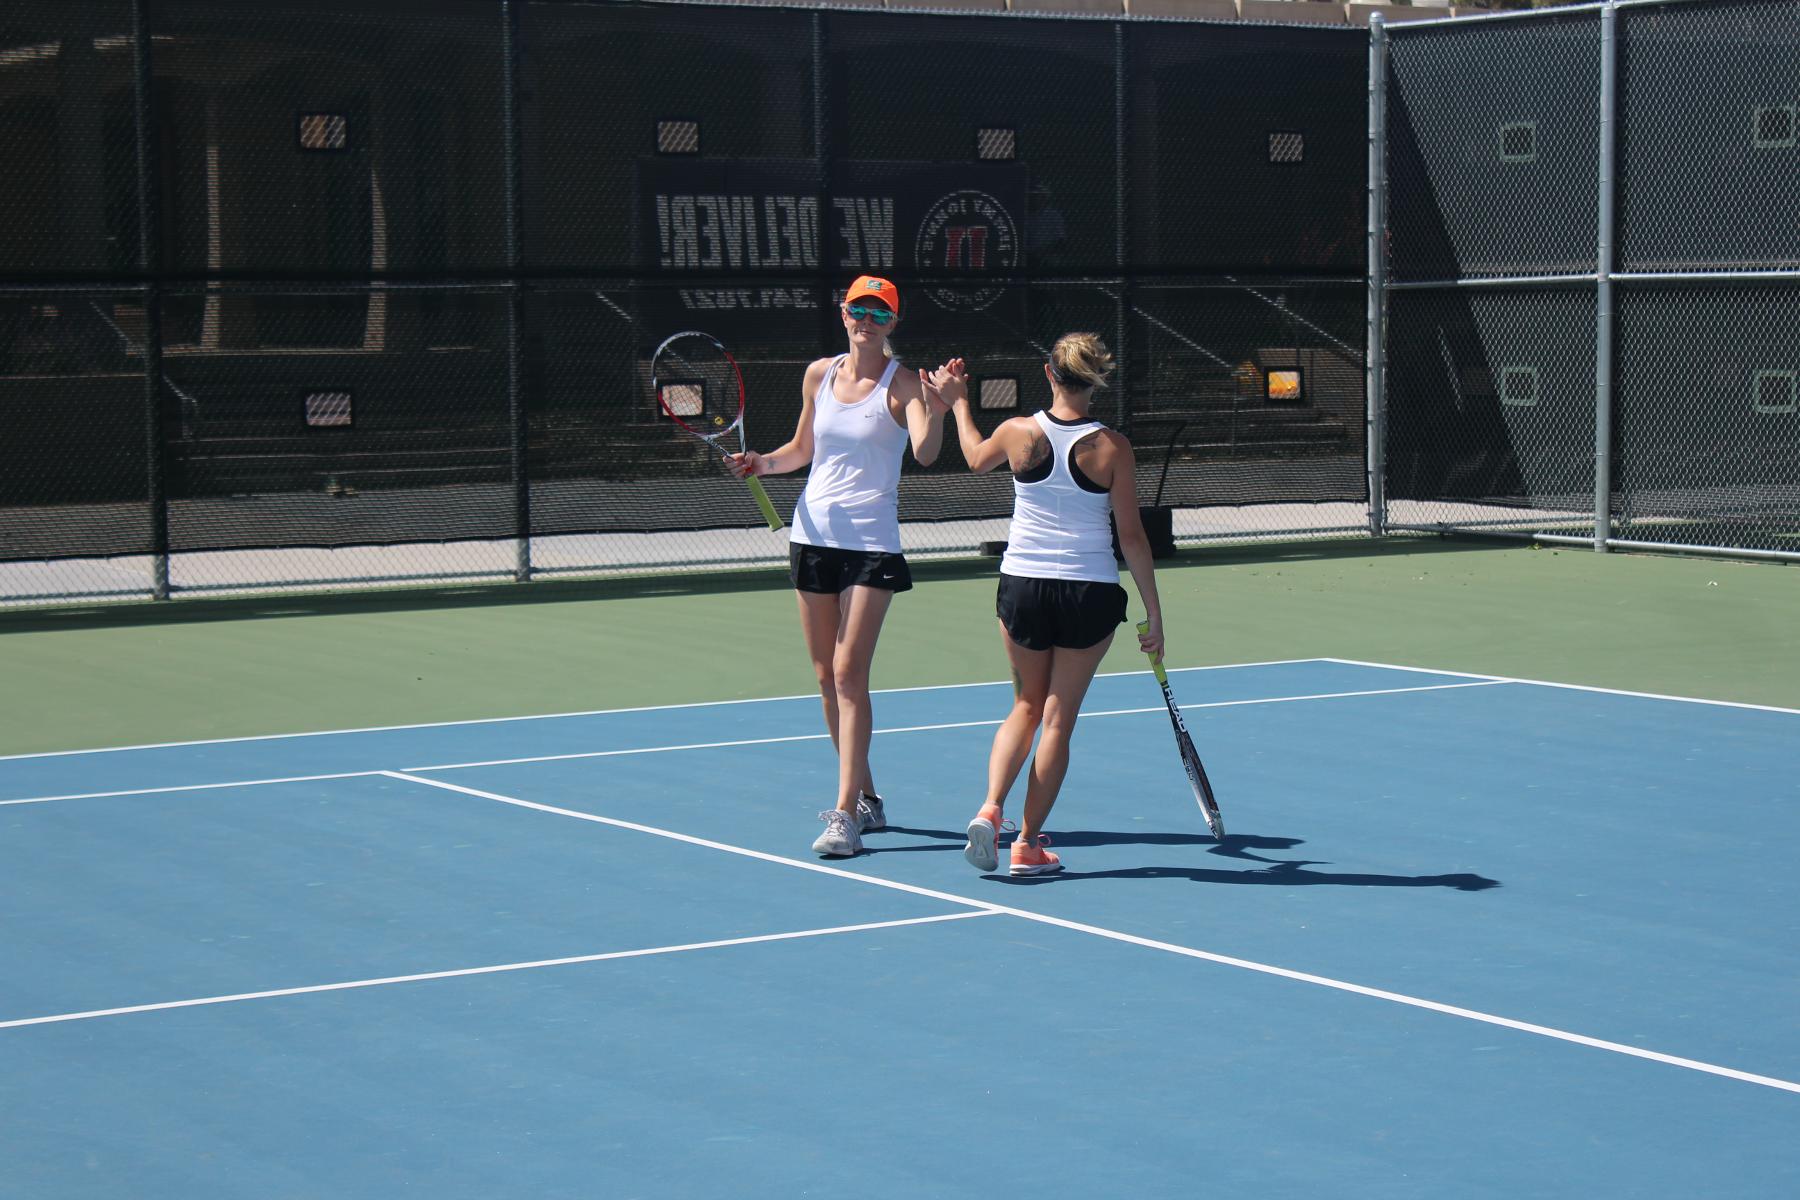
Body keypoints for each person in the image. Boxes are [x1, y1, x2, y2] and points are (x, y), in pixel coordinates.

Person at [924, 333, 1164, 877]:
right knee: (1056, 721)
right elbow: (1131, 537)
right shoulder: (1113, 447)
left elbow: (973, 458)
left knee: (1026, 707)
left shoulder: (1017, 432)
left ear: (1049, 373)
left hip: (1023, 588)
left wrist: (959, 401)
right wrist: (1153, 613)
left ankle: (990, 809)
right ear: (1096, 380)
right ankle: (1027, 844)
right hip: (1089, 592)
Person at [729, 276, 949, 858]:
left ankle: (844, 814)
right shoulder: (818, 374)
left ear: (893, 323)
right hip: (812, 538)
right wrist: (761, 463)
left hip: (872, 547)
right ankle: (869, 797)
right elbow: (802, 450)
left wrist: (940, 405)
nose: (867, 320)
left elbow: (926, 452)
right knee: (827, 677)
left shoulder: (904, 385)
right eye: (859, 309)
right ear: (843, 313)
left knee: (851, 672)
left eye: (880, 312)